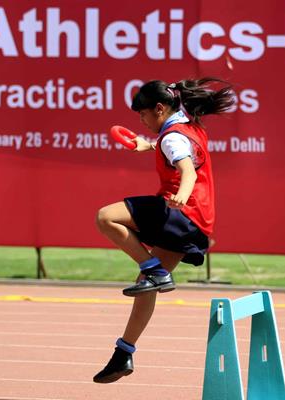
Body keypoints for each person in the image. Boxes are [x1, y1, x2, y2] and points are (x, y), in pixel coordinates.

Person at [92, 78, 234, 384]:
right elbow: (174, 145)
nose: (141, 121)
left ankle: (153, 267)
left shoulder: (172, 138)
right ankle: (123, 353)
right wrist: (148, 145)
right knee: (146, 287)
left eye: (143, 115)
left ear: (159, 108)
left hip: (179, 212)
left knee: (106, 218)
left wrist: (182, 194)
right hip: (197, 223)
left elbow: (187, 171)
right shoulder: (189, 126)